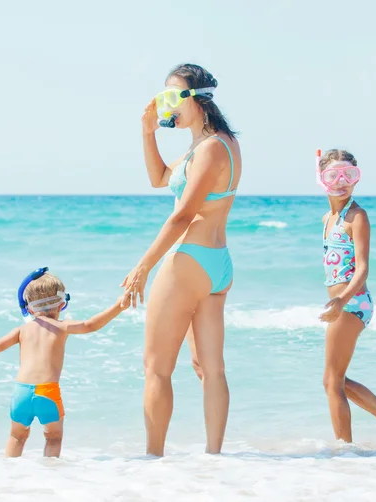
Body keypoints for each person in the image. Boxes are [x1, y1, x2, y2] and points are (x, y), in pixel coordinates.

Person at [120, 63, 241, 457]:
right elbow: (158, 178)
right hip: (216, 264)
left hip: (189, 259)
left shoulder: (210, 149)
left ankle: (152, 459)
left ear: (197, 99)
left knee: (156, 368)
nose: (165, 103)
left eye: (172, 96)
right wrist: (147, 132)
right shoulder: (211, 144)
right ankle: (213, 459)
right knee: (209, 369)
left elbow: (183, 214)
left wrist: (144, 265)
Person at [0, 267, 130, 457]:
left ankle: (8, 476)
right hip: (48, 392)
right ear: (62, 304)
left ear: (28, 309)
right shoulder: (62, 327)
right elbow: (90, 325)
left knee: (16, 437)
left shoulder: (22, 330)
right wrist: (119, 306)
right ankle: (49, 476)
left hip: (21, 393)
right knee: (53, 437)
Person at [317, 149, 376, 445]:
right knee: (336, 380)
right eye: (333, 175)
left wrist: (341, 301)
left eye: (348, 175)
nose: (341, 181)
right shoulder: (327, 218)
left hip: (353, 302)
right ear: (321, 179)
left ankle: (344, 451)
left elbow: (362, 269)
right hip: (344, 304)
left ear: (357, 178)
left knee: (332, 382)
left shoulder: (357, 216)